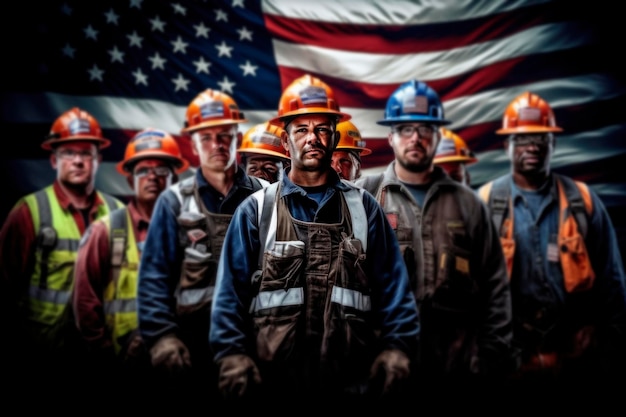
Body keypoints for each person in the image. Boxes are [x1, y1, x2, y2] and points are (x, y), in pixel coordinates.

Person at [209, 74, 420, 406]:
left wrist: (397, 348)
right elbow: (229, 296)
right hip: (271, 388)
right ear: (285, 140)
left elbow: (394, 293)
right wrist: (232, 355)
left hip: (352, 387)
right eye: (302, 130)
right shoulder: (256, 212)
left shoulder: (365, 210)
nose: (313, 139)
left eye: (322, 129)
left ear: (335, 136)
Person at [355, 80, 514, 397]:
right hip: (382, 370)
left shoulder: (469, 205)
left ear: (438, 136)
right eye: (405, 129)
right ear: (391, 137)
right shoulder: (363, 197)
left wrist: (489, 359)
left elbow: (495, 288)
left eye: (425, 129)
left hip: (457, 371)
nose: (415, 138)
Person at [477, 91, 626, 399]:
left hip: (574, 361)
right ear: (506, 146)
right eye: (522, 139)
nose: (532, 146)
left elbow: (613, 284)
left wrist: (605, 342)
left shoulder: (582, 201)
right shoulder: (485, 203)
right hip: (509, 361)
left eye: (541, 138)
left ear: (553, 144)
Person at [136, 89, 268, 403]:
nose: (217, 145)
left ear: (237, 136)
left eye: (224, 135)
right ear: (193, 143)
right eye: (206, 138)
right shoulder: (174, 202)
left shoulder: (267, 197)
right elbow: (154, 277)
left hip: (254, 343)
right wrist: (163, 336)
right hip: (190, 345)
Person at [0, 107, 124, 393]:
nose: (78, 161)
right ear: (54, 159)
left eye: (86, 153)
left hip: (103, 354)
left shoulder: (118, 212)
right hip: (42, 353)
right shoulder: (29, 212)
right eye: (69, 153)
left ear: (98, 160)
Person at [72, 128, 189, 384]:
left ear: (173, 179)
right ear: (130, 180)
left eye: (162, 170)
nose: (153, 177)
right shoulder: (105, 231)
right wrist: (106, 360)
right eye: (143, 170)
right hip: (120, 363)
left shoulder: (191, 230)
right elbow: (85, 304)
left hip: (179, 361)